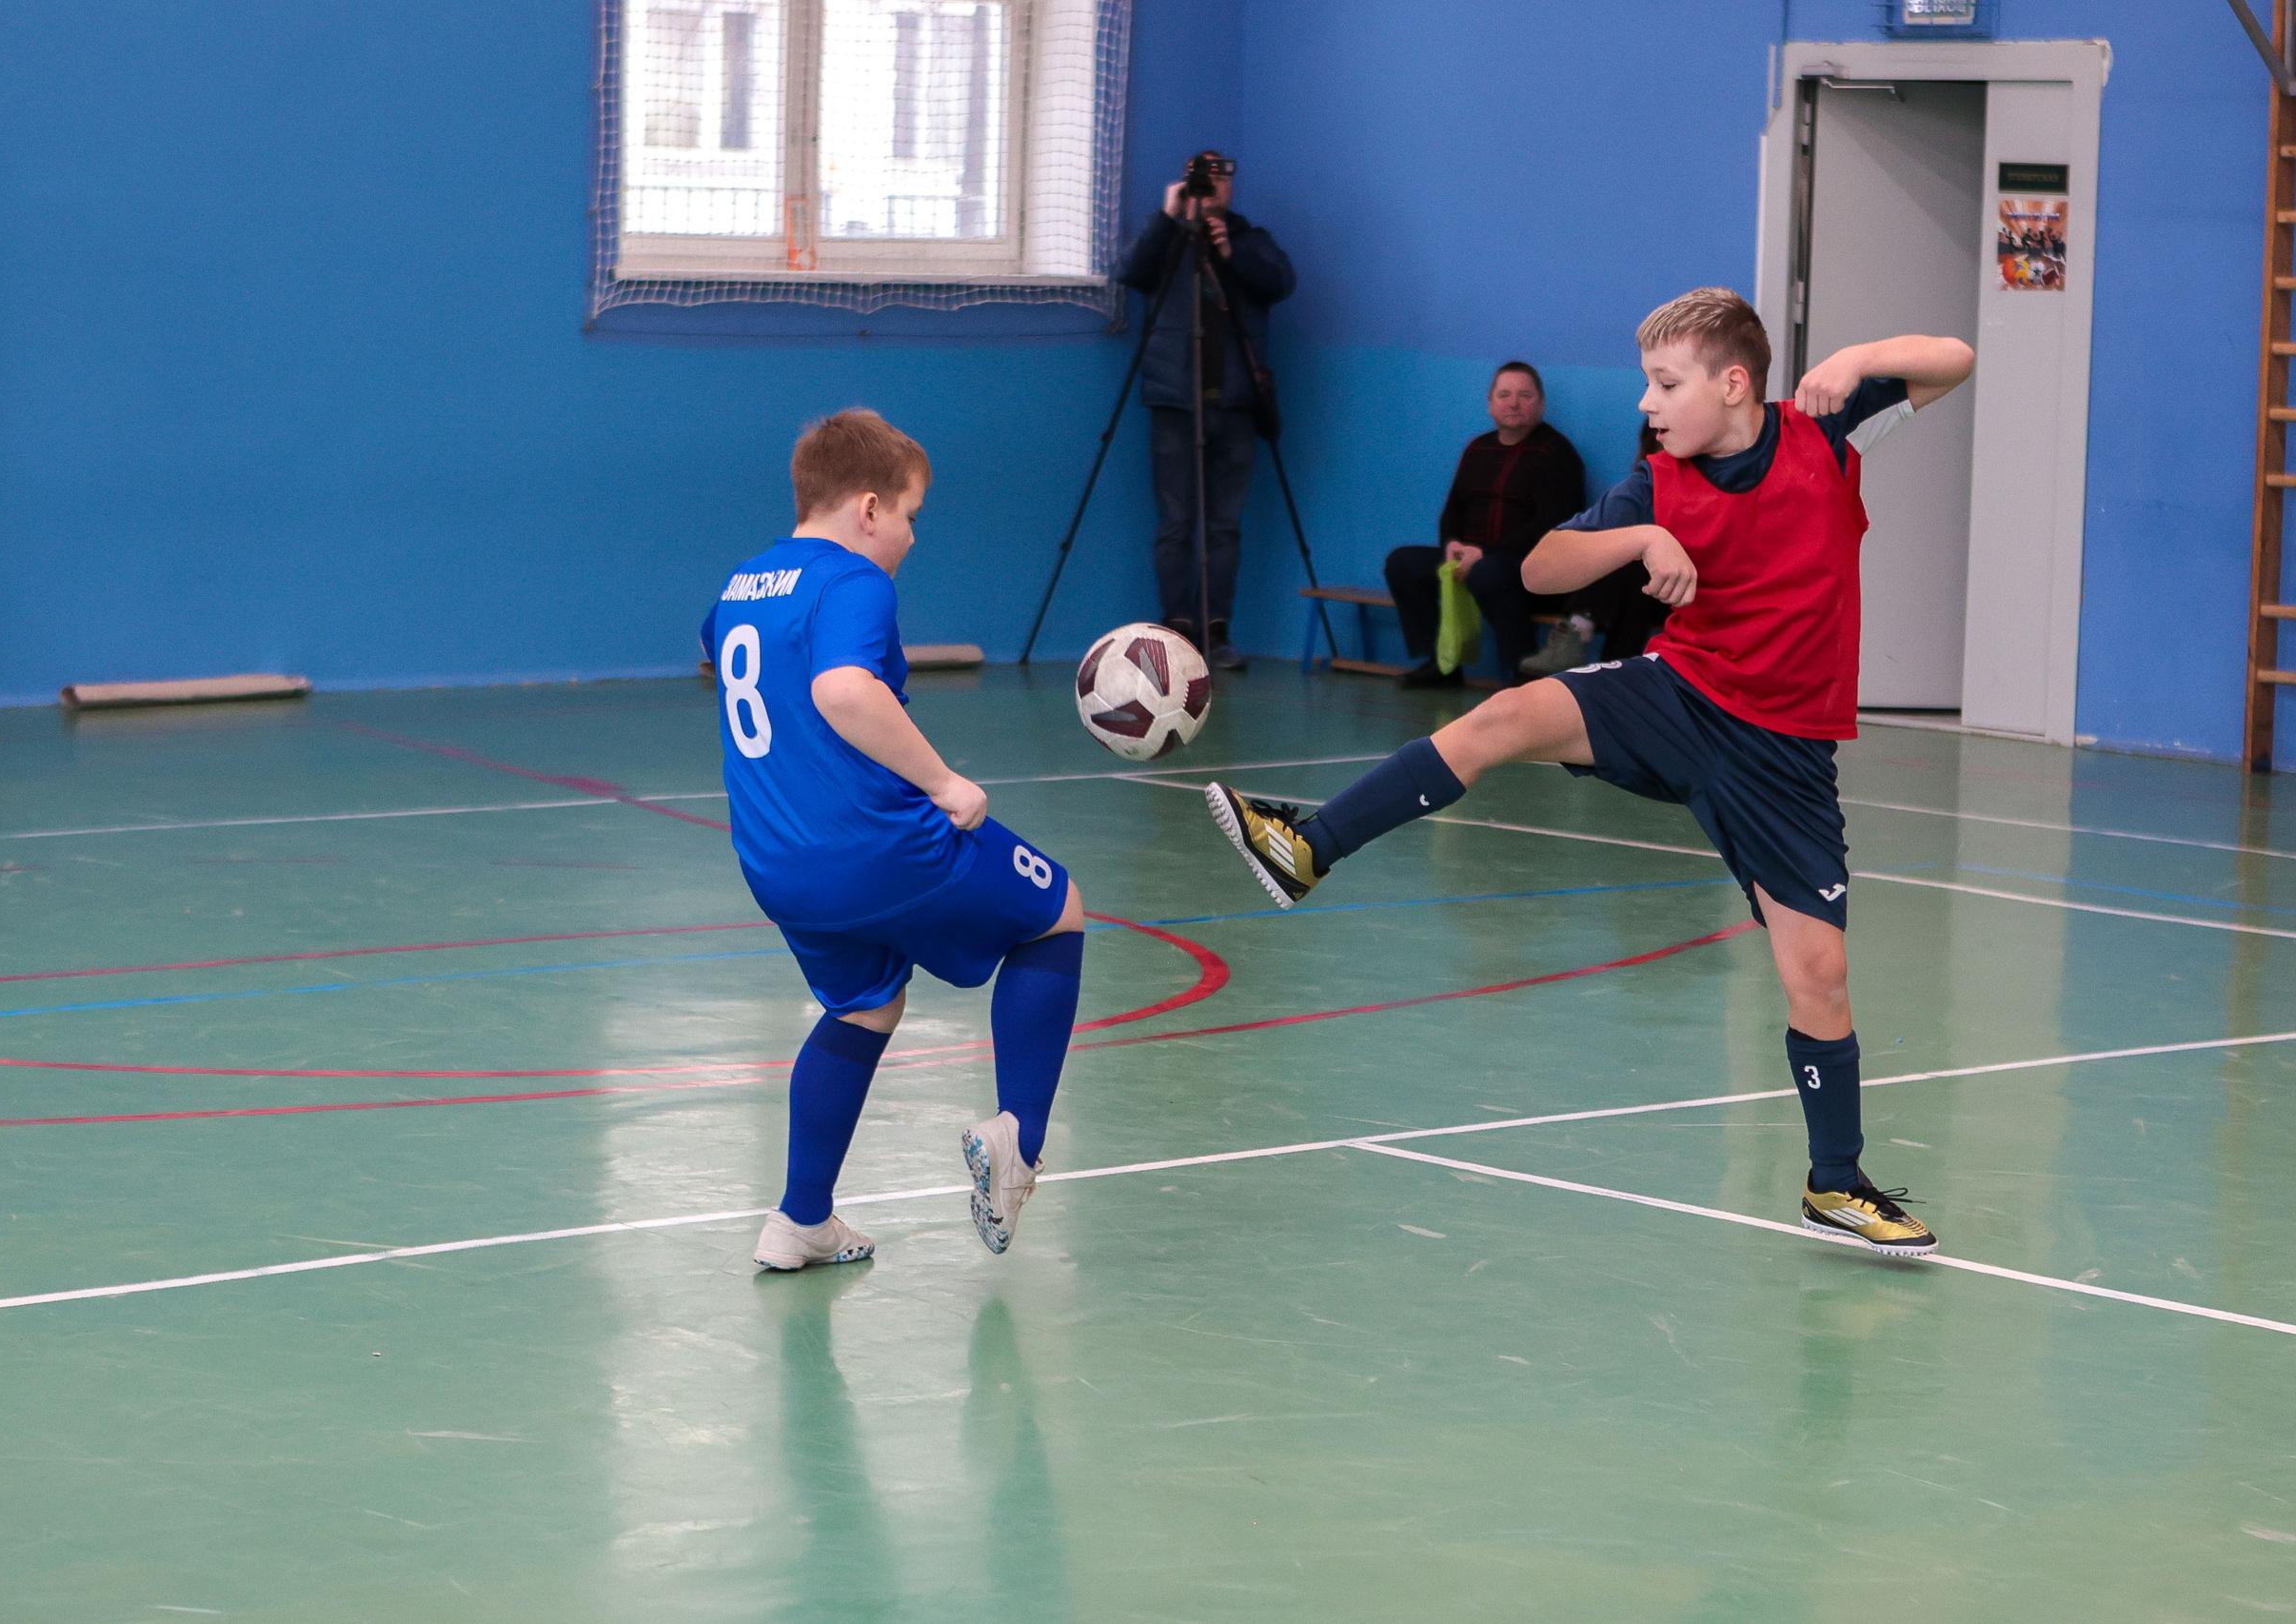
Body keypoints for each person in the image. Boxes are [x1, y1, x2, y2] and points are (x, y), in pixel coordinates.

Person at [1205, 288, 1974, 1257]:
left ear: (1733, 382)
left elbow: (1953, 353)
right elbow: (1538, 568)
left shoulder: (1825, 433)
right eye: (1645, 385)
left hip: (1783, 751)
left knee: (1817, 972)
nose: (1648, 404)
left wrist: (1858, 354)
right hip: (1680, 696)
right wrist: (1641, 538)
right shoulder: (1655, 483)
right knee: (1509, 713)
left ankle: (1835, 1183)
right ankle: (1304, 845)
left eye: (1665, 383)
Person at [702, 409, 1085, 1271]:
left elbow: (730, 655)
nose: (912, 536)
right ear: (869, 508)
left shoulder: (740, 585)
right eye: (911, 514)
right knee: (1056, 909)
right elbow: (841, 689)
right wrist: (945, 782)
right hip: (875, 847)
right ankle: (1019, 1139)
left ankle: (801, 1220)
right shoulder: (855, 582)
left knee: (864, 1004)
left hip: (777, 863)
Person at [1114, 152, 1296, 672]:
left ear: (1232, 186)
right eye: (1202, 176)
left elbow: (1281, 284)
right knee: (1175, 524)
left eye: (1221, 176)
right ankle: (1177, 626)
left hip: (1236, 404)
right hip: (1175, 402)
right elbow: (1129, 272)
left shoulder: (1250, 237)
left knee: (1224, 526)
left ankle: (1217, 628)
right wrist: (1168, 216)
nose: (1212, 184)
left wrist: (1230, 251)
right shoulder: (1168, 238)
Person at [1384, 362, 1589, 687]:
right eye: (1504, 394)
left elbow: (1552, 526)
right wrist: (1451, 542)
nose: (1514, 402)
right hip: (1472, 559)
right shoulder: (1477, 449)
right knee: (1402, 563)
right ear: (1490, 403)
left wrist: (1485, 554)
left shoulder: (1557, 454)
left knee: (1490, 571)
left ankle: (1523, 672)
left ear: (1541, 404)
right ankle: (1441, 665)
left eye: (1524, 395)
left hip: (1530, 570)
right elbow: (1453, 510)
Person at [1522, 424, 1672, 678]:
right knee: (1620, 558)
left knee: (1634, 568)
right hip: (1642, 589)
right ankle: (1614, 670)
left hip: (1686, 586)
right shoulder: (1640, 488)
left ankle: (1583, 634)